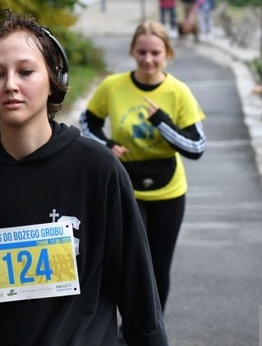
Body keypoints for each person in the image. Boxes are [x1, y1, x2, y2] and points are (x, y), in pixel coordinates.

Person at [0, 12, 167, 345]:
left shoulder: (98, 171)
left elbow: (139, 295)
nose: (10, 85)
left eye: (26, 71)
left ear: (53, 79)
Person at [79, 20, 206, 311]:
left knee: (158, 267)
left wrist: (162, 121)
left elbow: (196, 147)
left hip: (168, 191)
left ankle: (151, 330)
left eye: (155, 53)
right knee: (125, 263)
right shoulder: (113, 86)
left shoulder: (178, 92)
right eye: (141, 52)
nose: (148, 59)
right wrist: (107, 146)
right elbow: (88, 123)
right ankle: (125, 329)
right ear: (132, 52)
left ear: (167, 53)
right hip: (125, 189)